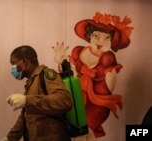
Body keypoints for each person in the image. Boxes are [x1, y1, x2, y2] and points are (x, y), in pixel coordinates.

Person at [53, 12, 133, 140]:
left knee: (85, 133)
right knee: (73, 132)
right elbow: (69, 77)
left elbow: (109, 88)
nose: (101, 41)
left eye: (106, 37)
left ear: (111, 40)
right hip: (77, 98)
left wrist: (107, 76)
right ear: (89, 35)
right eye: (96, 35)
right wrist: (61, 62)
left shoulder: (108, 58)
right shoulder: (78, 51)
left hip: (97, 104)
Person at [1, 45, 73, 141]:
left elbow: (64, 100)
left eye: (13, 64)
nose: (13, 69)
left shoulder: (46, 75)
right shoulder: (32, 81)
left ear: (25, 62)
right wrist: (10, 138)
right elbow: (25, 116)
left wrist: (27, 100)